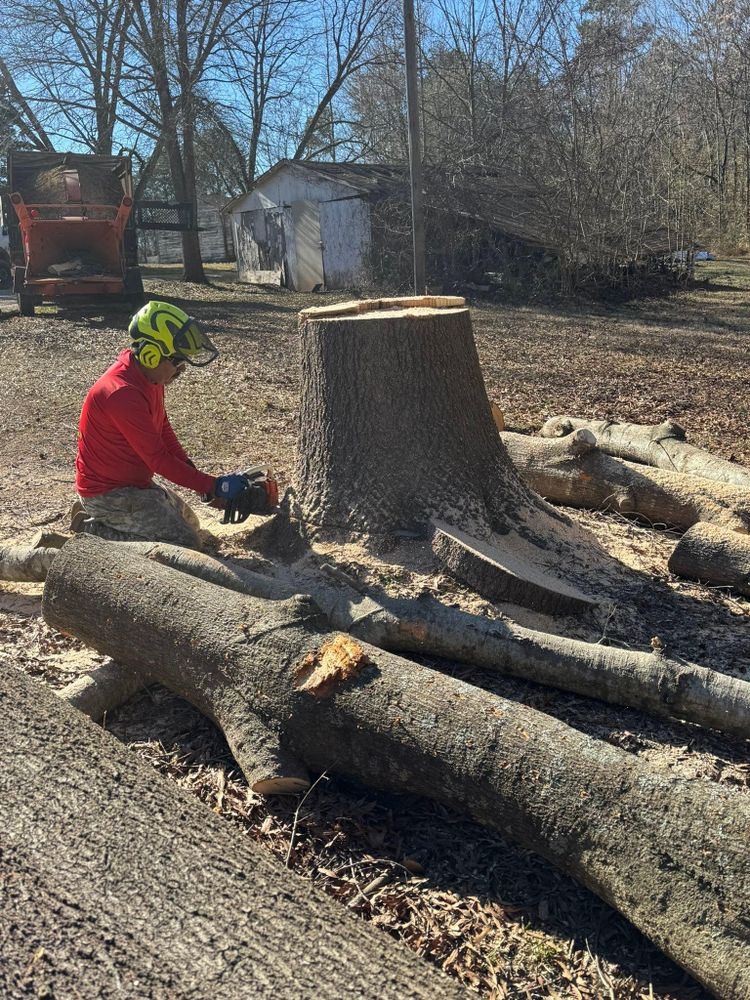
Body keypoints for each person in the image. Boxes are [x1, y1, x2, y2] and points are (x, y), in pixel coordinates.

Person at [72, 300, 247, 548]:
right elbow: (158, 459)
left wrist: (201, 483)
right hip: (109, 494)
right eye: (177, 362)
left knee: (192, 526)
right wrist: (214, 484)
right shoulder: (121, 394)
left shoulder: (149, 379)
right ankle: (94, 534)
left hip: (135, 485)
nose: (181, 370)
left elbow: (163, 429)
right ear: (151, 355)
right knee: (184, 543)